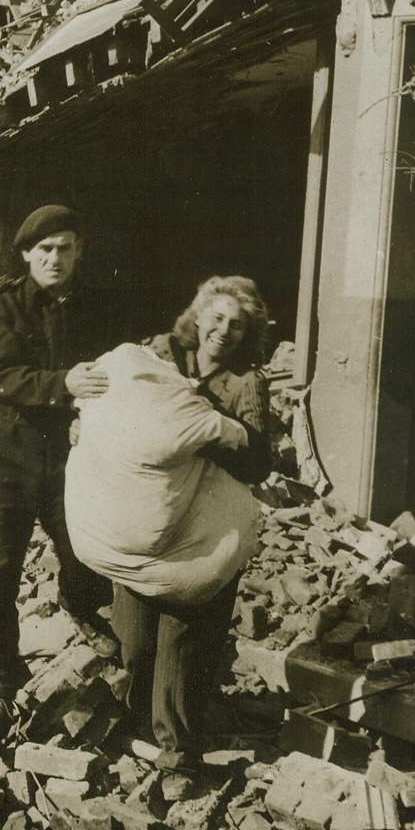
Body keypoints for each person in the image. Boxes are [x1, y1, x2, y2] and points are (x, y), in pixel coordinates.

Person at [0, 205, 117, 760]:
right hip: (7, 451)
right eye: (44, 250)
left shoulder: (94, 307)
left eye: (65, 248)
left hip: (67, 454)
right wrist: (64, 384)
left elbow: (114, 366)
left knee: (87, 548)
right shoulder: (3, 303)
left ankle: (79, 603)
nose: (55, 259)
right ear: (26, 254)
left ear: (78, 253)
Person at [111, 275, 272, 802]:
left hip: (205, 528)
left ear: (246, 334)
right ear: (198, 317)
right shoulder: (159, 357)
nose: (224, 331)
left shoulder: (246, 381)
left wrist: (202, 428)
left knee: (180, 643)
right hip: (150, 521)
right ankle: (138, 733)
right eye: (217, 317)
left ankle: (178, 755)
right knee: (135, 643)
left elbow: (256, 462)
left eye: (237, 325)